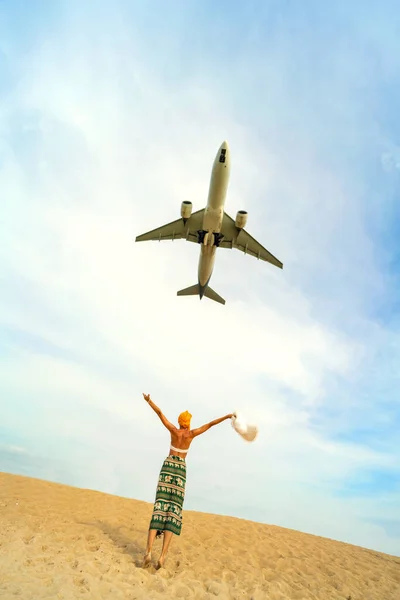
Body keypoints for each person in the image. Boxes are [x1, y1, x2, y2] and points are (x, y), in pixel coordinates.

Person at [142, 392, 233, 569]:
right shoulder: (191, 435)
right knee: (173, 512)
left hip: (168, 467)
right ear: (188, 422)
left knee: (159, 507)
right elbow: (211, 424)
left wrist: (149, 400)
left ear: (179, 421)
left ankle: (148, 552)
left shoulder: (174, 431)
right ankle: (162, 556)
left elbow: (160, 414)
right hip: (180, 470)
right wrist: (228, 416)